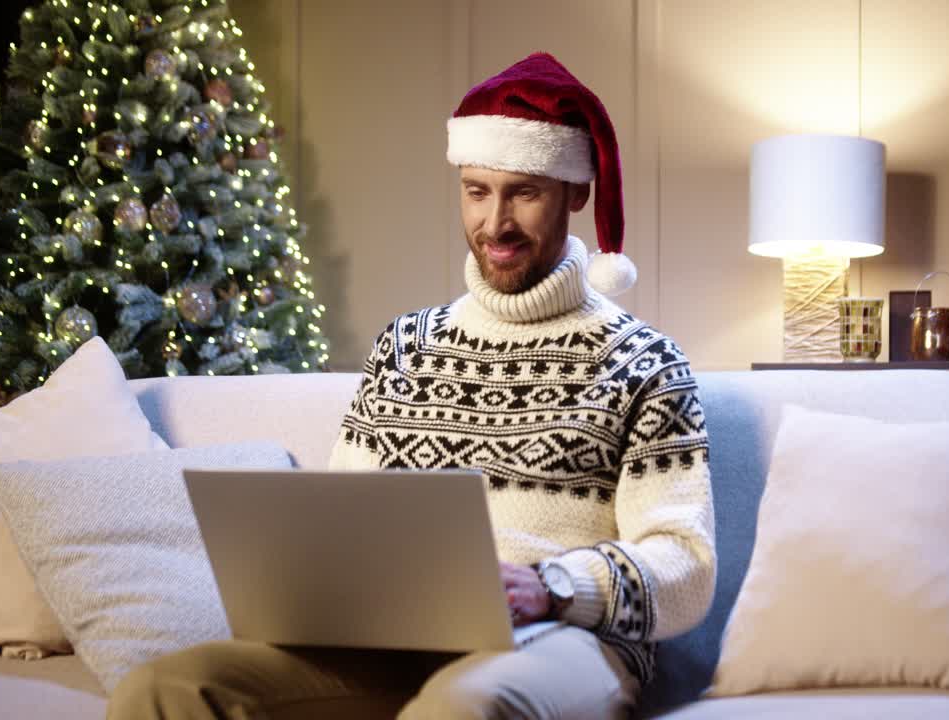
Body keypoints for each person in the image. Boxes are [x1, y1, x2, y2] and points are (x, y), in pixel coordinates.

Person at [108, 51, 716, 720]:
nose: (495, 223)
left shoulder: (644, 361)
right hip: (394, 643)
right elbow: (342, 519)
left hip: (565, 639)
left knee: (463, 707)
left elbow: (685, 563)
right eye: (477, 191)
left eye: (523, 193)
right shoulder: (406, 345)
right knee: (162, 689)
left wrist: (552, 585)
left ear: (576, 193)